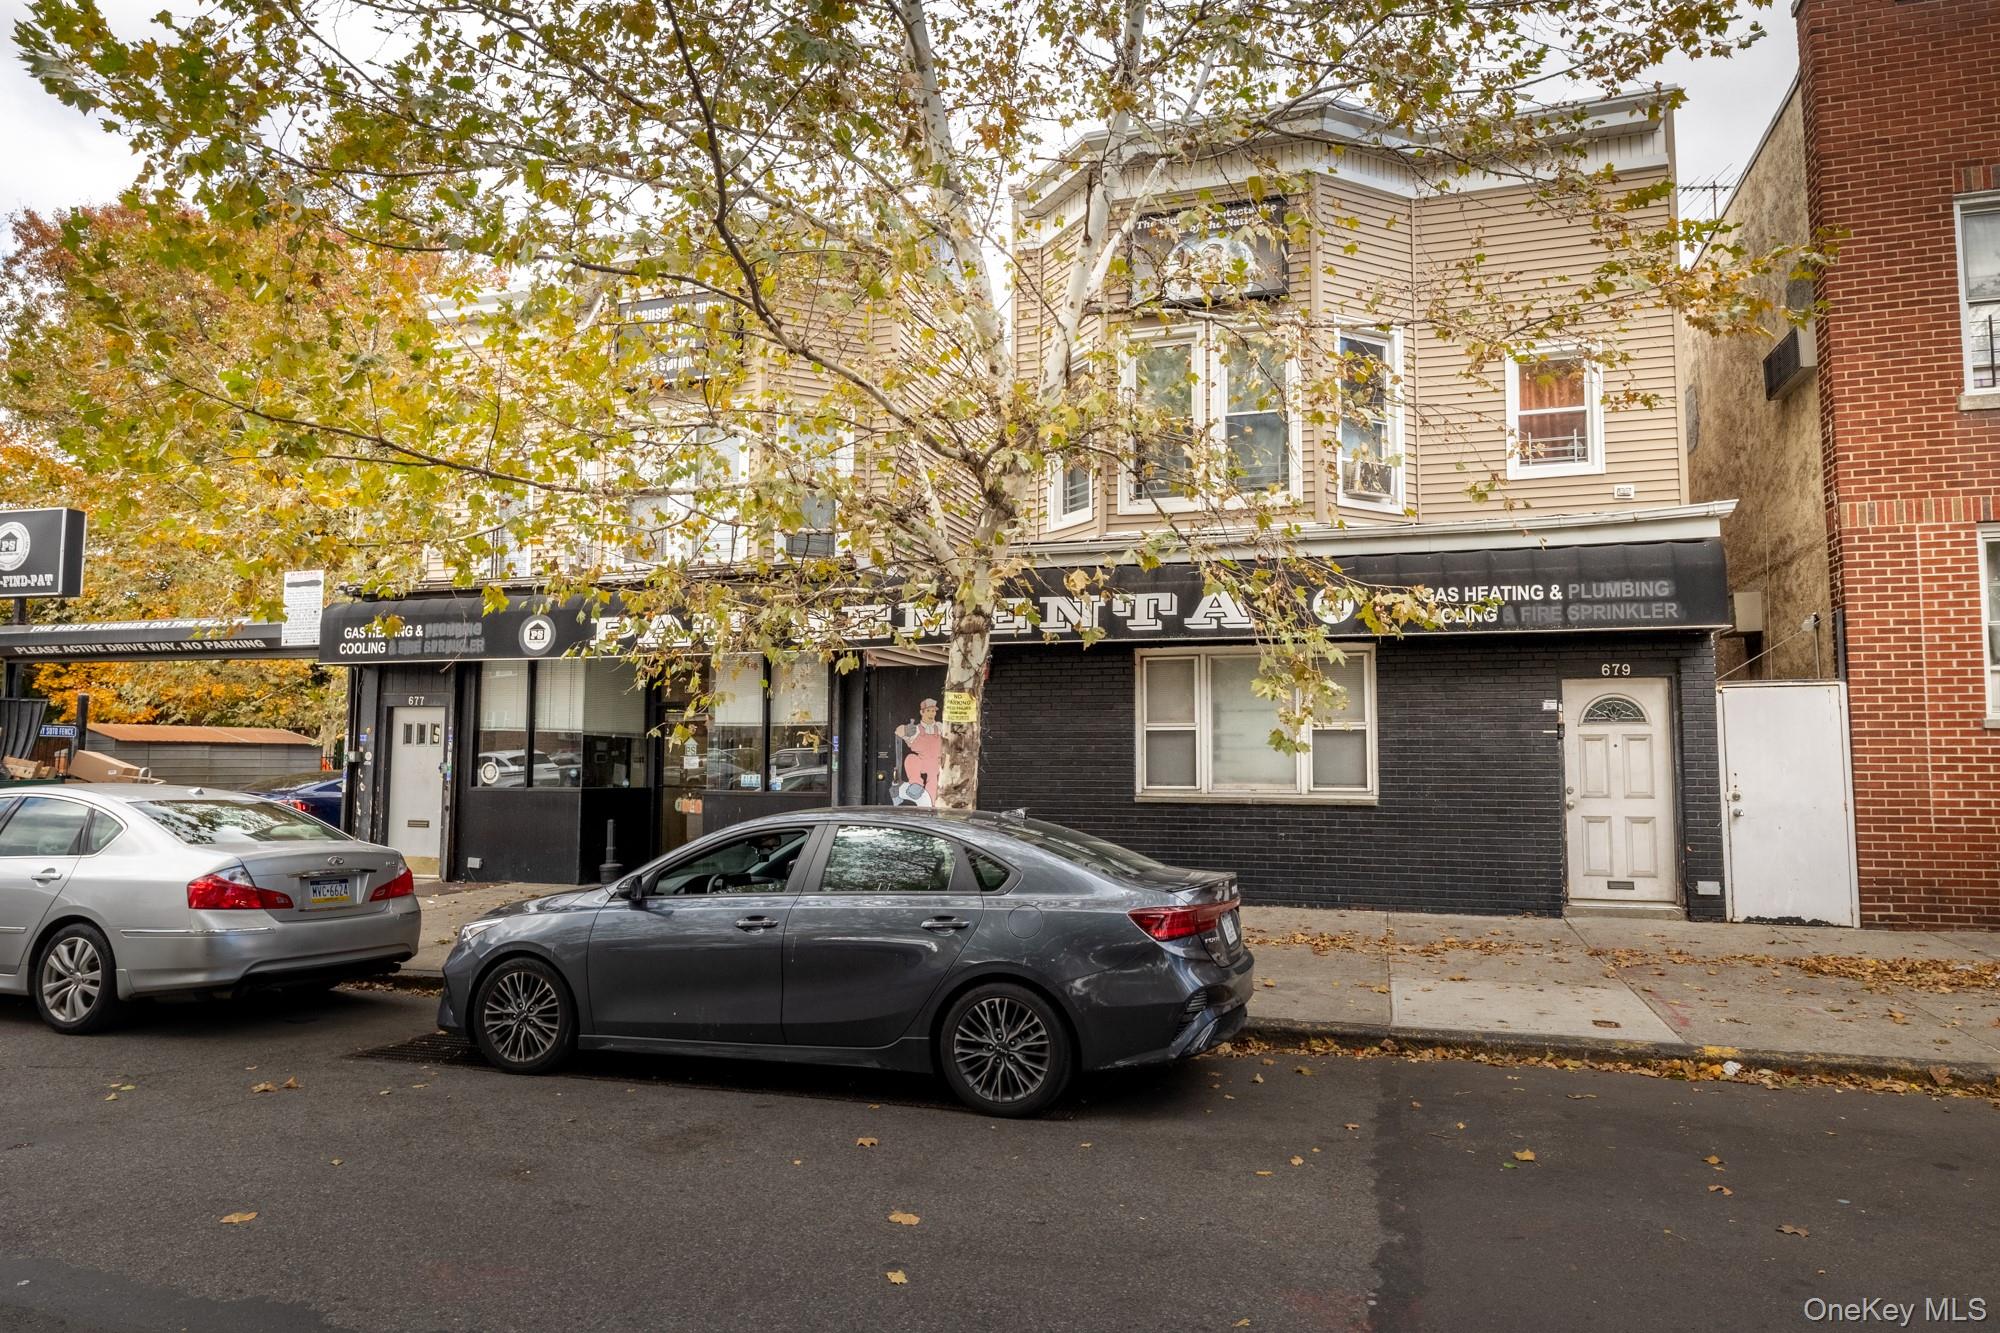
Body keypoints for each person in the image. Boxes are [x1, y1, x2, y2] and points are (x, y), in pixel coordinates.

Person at [892, 698, 942, 806]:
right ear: (922, 712)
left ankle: (931, 806)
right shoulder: (916, 729)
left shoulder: (940, 727)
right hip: (922, 761)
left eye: (933, 711)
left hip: (936, 764)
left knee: (933, 780)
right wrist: (904, 729)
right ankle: (915, 785)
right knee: (911, 759)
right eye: (928, 711)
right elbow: (898, 731)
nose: (931, 714)